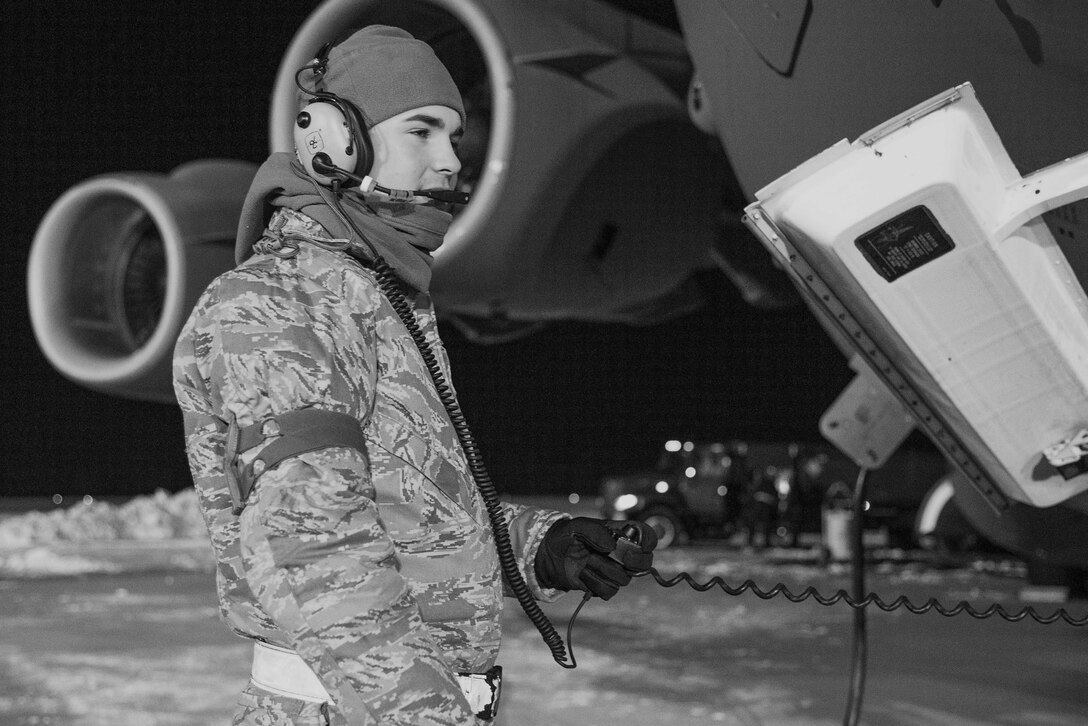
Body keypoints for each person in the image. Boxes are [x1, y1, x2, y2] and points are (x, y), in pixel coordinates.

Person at [172, 25, 656, 726]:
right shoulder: (275, 305)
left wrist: (539, 547)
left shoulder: (374, 299)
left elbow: (412, 508)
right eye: (423, 131)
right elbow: (315, 553)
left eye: (456, 139)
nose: (449, 163)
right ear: (335, 141)